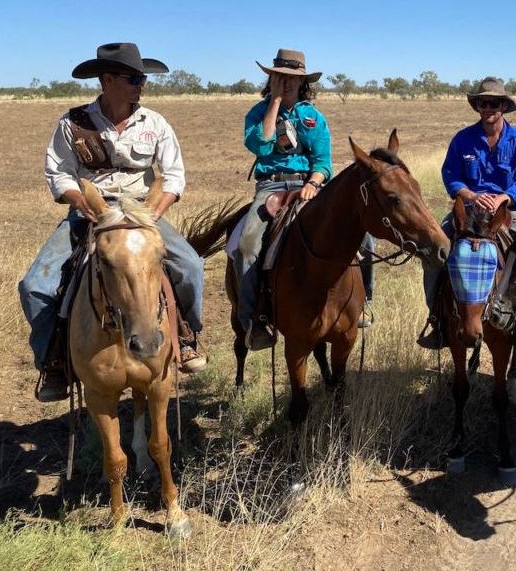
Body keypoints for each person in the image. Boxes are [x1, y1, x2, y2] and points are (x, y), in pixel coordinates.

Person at [19, 43, 206, 402]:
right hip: (89, 211)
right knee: (35, 286)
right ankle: (54, 361)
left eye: (142, 77)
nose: (141, 84)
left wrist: (153, 213)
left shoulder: (155, 123)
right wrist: (80, 202)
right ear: (107, 80)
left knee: (191, 265)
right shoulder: (73, 123)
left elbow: (174, 176)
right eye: (133, 77)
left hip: (142, 212)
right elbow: (59, 173)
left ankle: (186, 336)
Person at [418, 77, 516, 350]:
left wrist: (504, 197)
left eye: (494, 104)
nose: (488, 108)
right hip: (470, 208)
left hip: (507, 209)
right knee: (434, 251)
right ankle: (437, 320)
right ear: (477, 107)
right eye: (483, 103)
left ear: (504, 107)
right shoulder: (463, 140)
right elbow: (450, 174)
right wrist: (472, 195)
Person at [236, 49, 332, 351]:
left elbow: (323, 161)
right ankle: (253, 320)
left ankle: (361, 304)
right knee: (247, 246)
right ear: (272, 79)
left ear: (303, 81)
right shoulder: (258, 112)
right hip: (270, 187)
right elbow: (261, 148)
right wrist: (274, 102)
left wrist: (314, 183)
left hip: (308, 186)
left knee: (363, 239)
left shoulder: (313, 117)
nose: (287, 83)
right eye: (281, 78)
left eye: (293, 79)